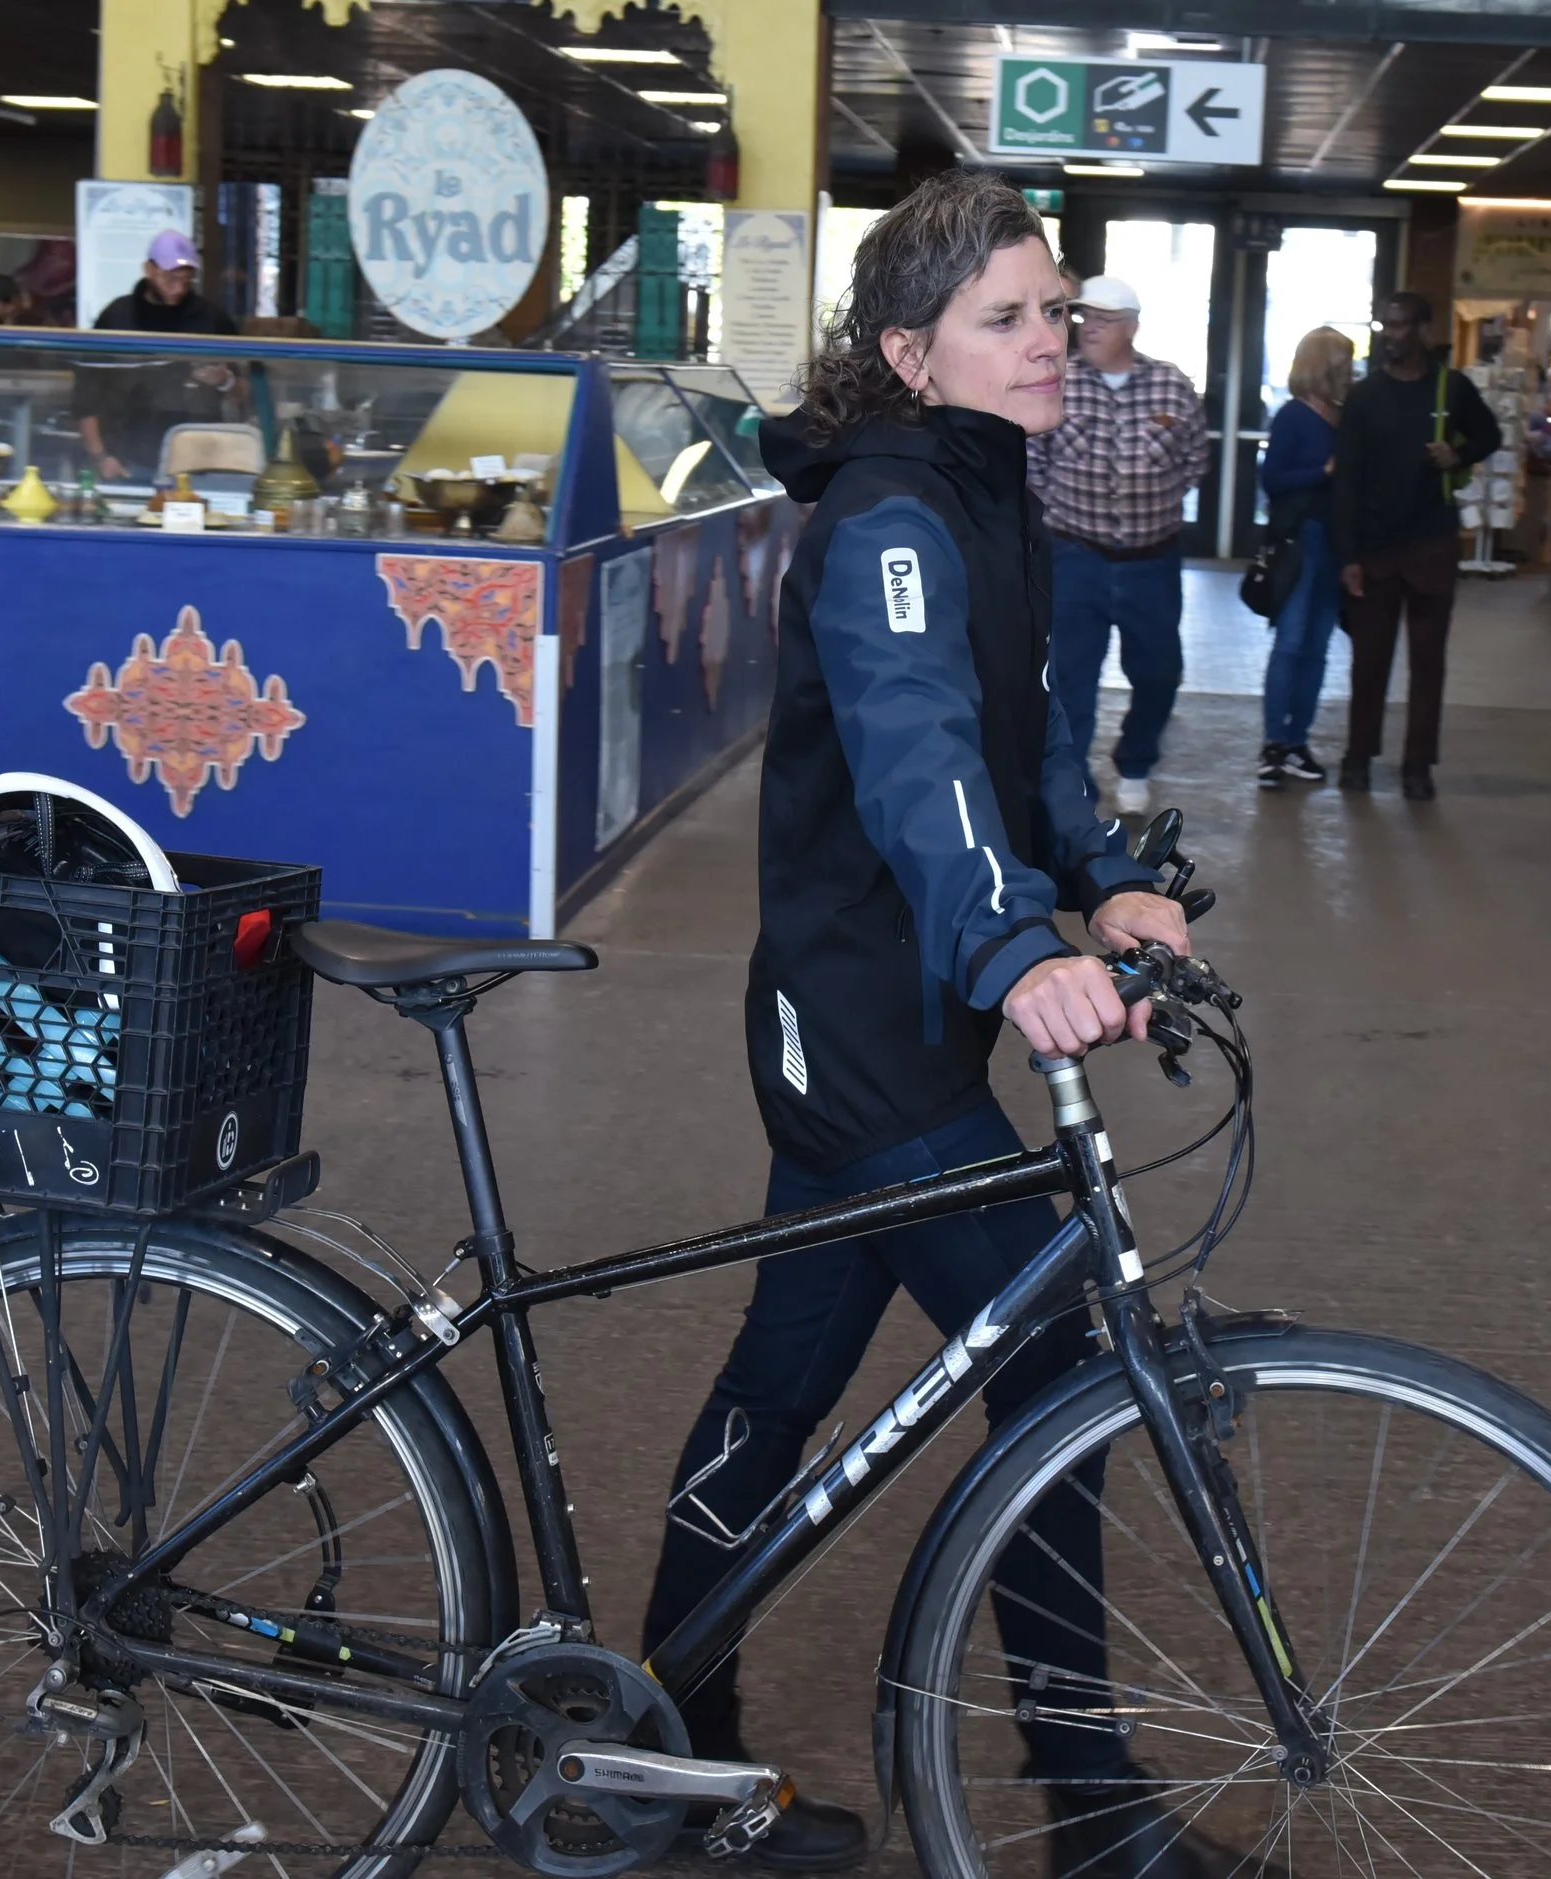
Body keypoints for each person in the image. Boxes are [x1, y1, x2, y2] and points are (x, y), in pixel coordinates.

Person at [643, 170, 1204, 1878]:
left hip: (904, 1020)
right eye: (1007, 321)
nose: (1051, 345)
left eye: (1055, 311)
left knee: (781, 1380)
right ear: (911, 349)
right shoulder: (891, 517)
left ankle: (659, 1753)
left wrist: (1103, 870)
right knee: (1048, 1370)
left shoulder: (990, 495)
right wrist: (1006, 945)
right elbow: (915, 755)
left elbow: (1025, 743)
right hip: (864, 1027)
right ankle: (1095, 1815)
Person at [1026, 274, 1213, 816]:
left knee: (1159, 671)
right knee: (1070, 678)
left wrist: (1148, 503)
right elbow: (1034, 461)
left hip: (1150, 562)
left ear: (1132, 326)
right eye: (1085, 318)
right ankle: (1073, 787)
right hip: (1075, 555)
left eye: (1106, 320)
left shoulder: (1171, 385)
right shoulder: (1056, 380)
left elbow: (1194, 460)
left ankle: (1136, 762)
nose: (1090, 329)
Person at [1332, 292, 1501, 799]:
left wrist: (1458, 453)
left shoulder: (1452, 390)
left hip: (1431, 545)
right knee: (1369, 663)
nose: (1389, 334)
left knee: (1428, 664)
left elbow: (1489, 435)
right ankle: (1358, 756)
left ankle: (1418, 765)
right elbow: (1347, 483)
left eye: (1401, 325)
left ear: (1424, 329)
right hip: (1376, 549)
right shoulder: (1365, 397)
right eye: (1383, 324)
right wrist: (1348, 557)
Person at [1257, 326, 1353, 786]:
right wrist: (1324, 471)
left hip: (1336, 543)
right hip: (1301, 542)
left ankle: (1298, 741)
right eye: (1344, 363)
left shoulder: (1347, 417)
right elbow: (1272, 479)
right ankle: (1274, 743)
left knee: (1317, 648)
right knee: (1292, 642)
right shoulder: (1293, 416)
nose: (1351, 371)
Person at [74, 230, 239, 484]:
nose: (179, 289)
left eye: (186, 280)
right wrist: (100, 457)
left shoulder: (212, 319)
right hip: (125, 461)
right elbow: (86, 396)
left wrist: (225, 381)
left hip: (198, 463)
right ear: (149, 270)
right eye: (170, 279)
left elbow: (247, 394)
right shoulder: (118, 317)